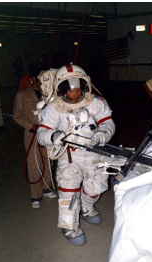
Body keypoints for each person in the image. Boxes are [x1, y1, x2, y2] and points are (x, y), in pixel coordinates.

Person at [36, 64, 116, 246]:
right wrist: (53, 135)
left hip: (94, 150)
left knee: (98, 187)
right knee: (69, 190)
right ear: (60, 89)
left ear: (85, 86)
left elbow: (108, 122)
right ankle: (69, 226)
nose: (74, 94)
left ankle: (86, 207)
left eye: (78, 89)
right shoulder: (53, 108)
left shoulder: (95, 102)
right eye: (70, 91)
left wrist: (102, 134)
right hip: (69, 155)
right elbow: (41, 134)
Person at [12, 69, 57, 209]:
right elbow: (17, 115)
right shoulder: (22, 95)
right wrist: (31, 126)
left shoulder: (49, 94)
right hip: (32, 133)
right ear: (33, 79)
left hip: (48, 133)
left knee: (48, 161)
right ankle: (36, 195)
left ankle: (47, 188)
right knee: (34, 163)